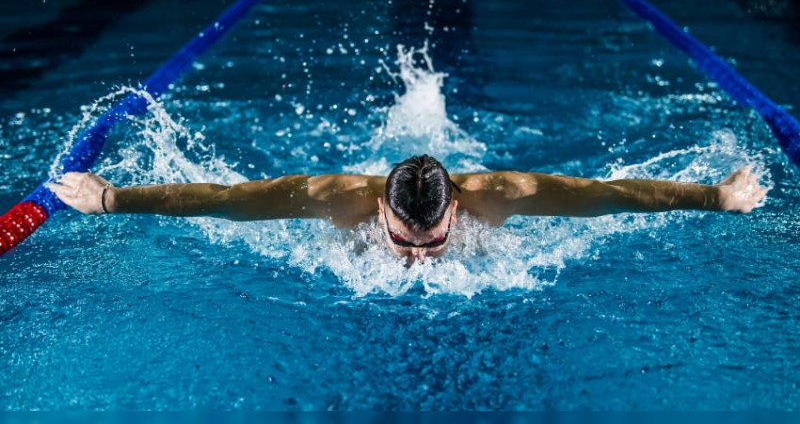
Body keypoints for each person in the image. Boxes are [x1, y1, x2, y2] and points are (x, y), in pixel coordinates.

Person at [45, 154, 767, 265]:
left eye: (432, 240)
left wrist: (716, 197)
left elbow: (612, 195)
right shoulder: (336, 200)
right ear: (380, 211)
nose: (416, 257)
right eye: (403, 238)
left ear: (458, 203)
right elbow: (227, 202)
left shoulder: (503, 194)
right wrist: (112, 198)